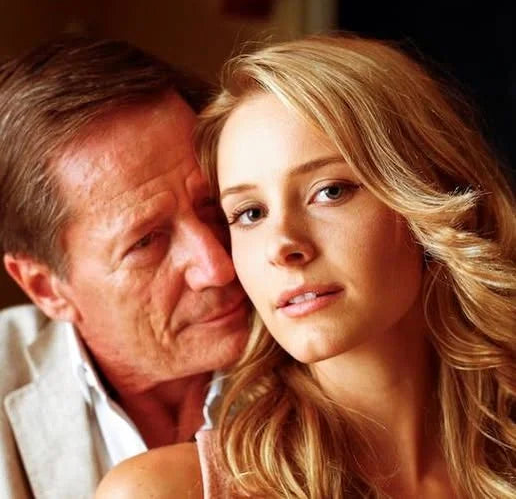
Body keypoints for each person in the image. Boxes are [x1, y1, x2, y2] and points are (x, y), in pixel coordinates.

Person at [96, 35, 515, 498]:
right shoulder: (163, 491)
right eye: (250, 213)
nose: (282, 246)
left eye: (329, 192)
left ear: (428, 194)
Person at [0, 36, 250, 499]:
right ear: (47, 288)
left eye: (212, 205)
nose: (217, 267)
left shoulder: (322, 337)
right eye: (147, 241)